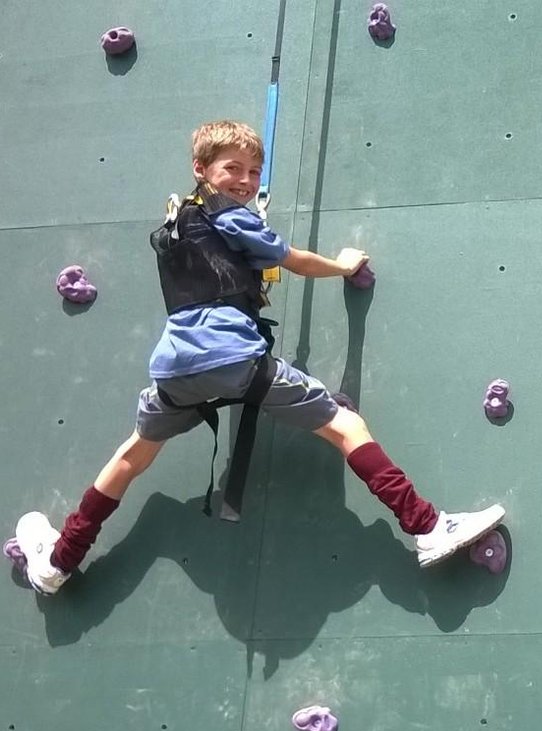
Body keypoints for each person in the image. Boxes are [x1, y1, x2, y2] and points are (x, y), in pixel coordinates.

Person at [11, 120, 504, 595]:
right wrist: (343, 265)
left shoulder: (178, 221)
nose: (245, 181)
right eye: (233, 169)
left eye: (253, 172)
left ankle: (58, 563)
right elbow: (292, 261)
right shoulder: (229, 215)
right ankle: (427, 526)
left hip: (176, 370)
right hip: (234, 359)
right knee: (346, 427)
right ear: (201, 168)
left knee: (130, 458)